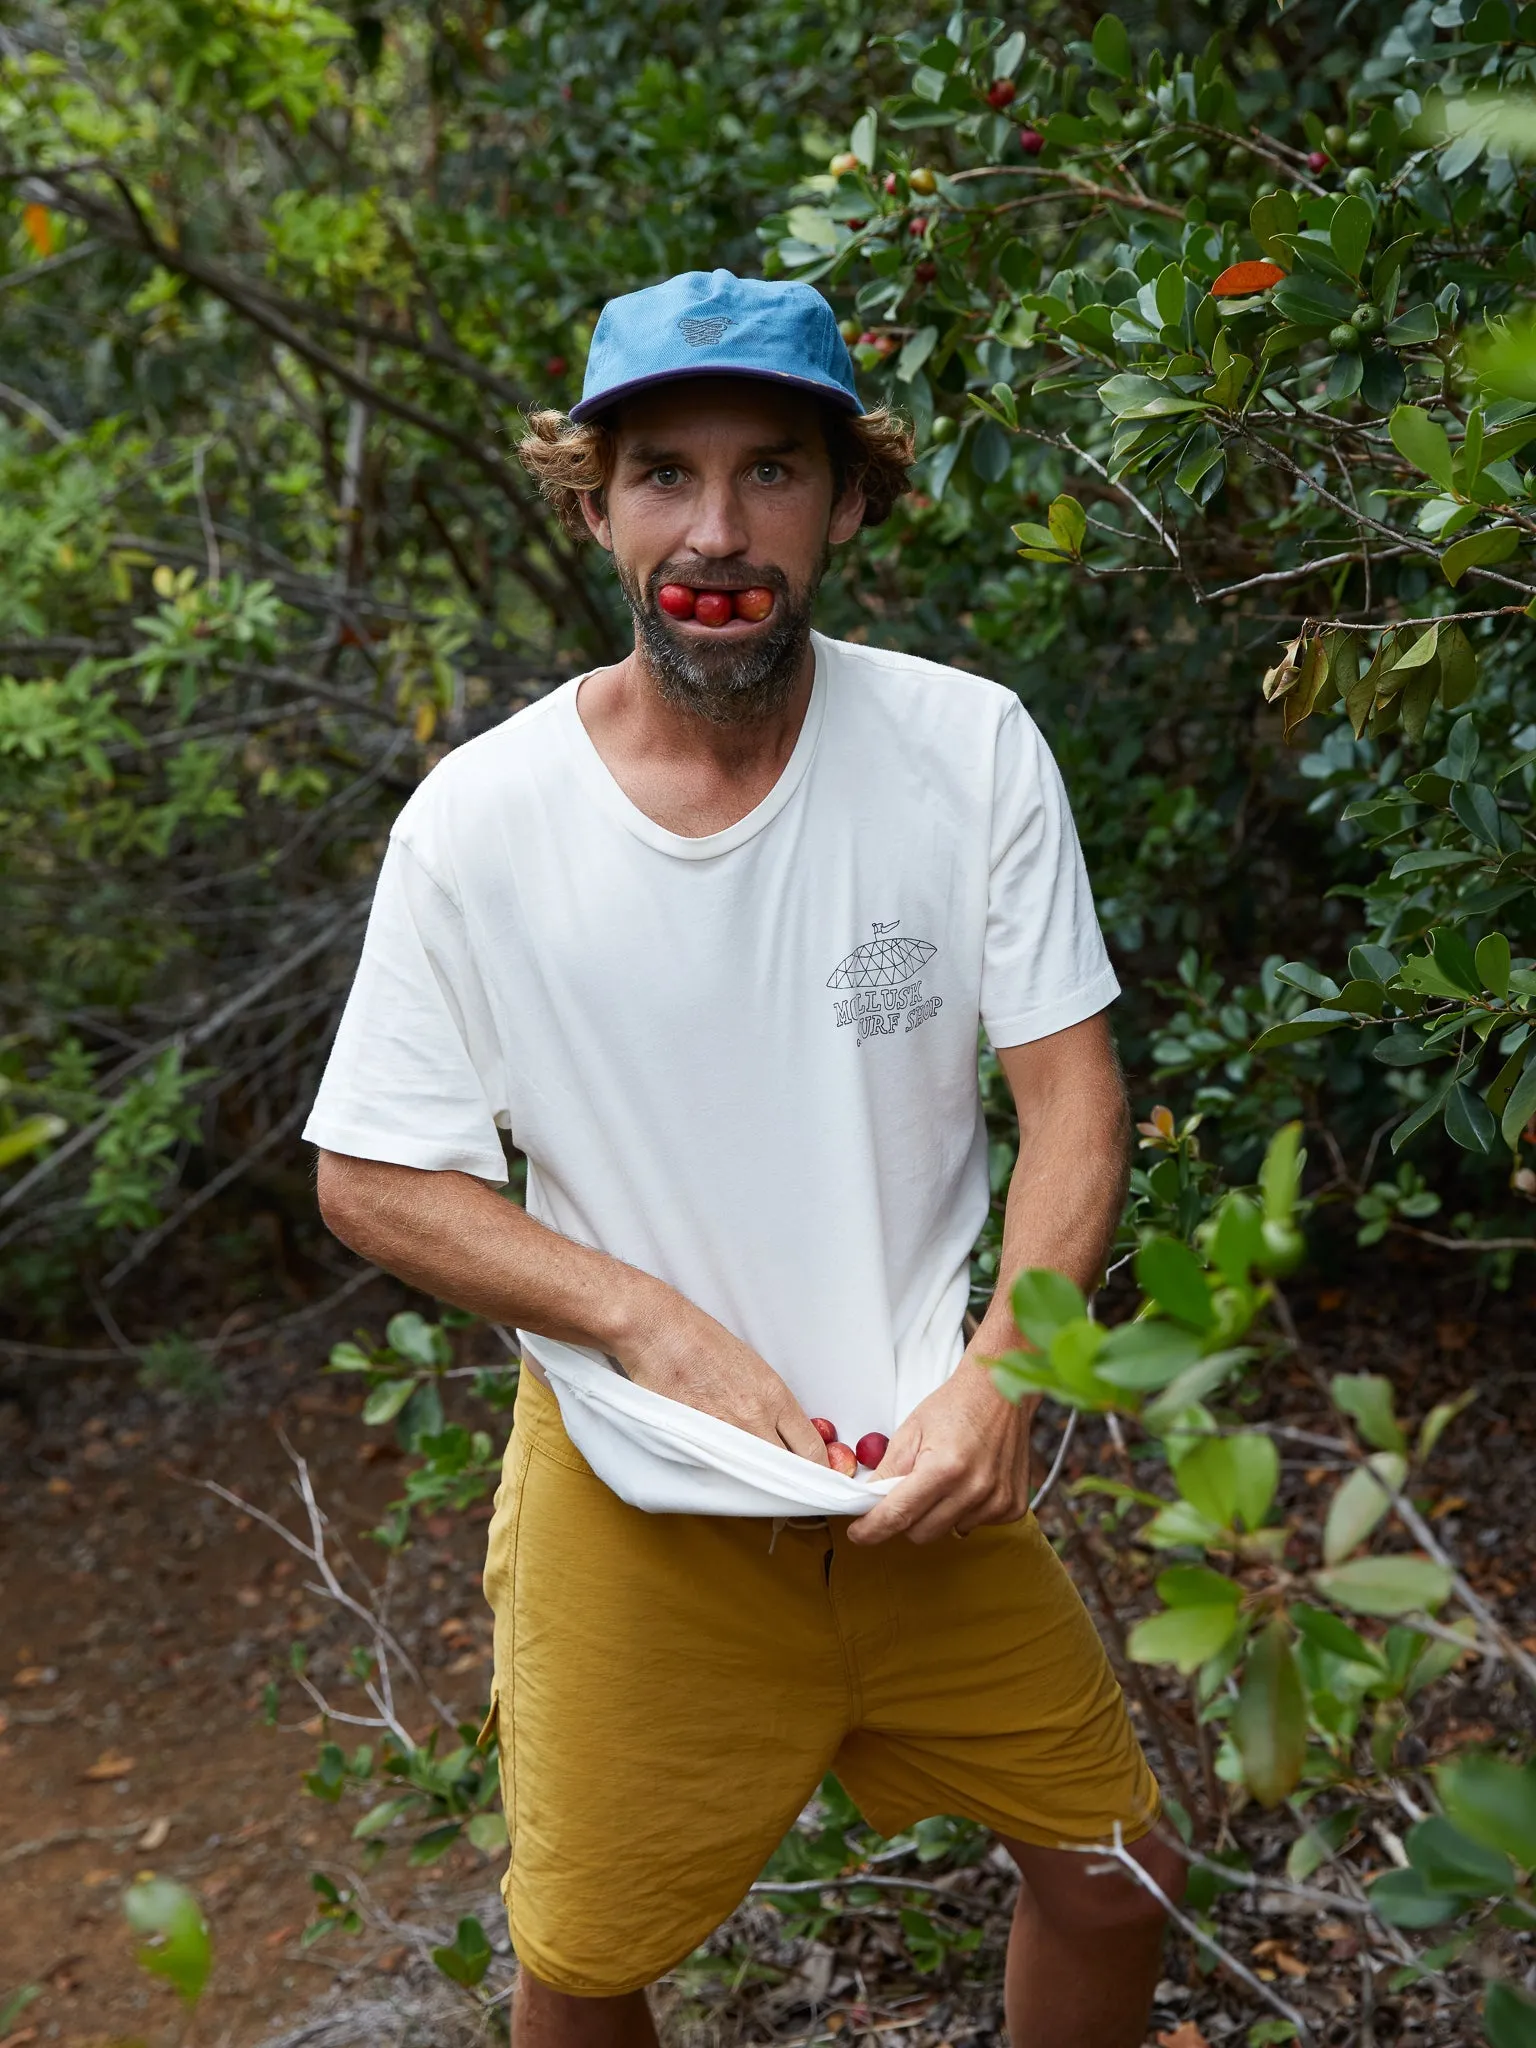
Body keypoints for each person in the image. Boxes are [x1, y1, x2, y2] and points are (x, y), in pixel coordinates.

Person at [305, 269, 1184, 2048]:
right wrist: (647, 1321)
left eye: (772, 473)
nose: (719, 531)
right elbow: (374, 1179)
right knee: (590, 1964)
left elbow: (1073, 1099)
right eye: (665, 477)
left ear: (851, 498)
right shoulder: (483, 820)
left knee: (1117, 1881)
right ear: (595, 501)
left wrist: (1007, 1376)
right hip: (640, 1512)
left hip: (926, 1477)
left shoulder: (965, 748)